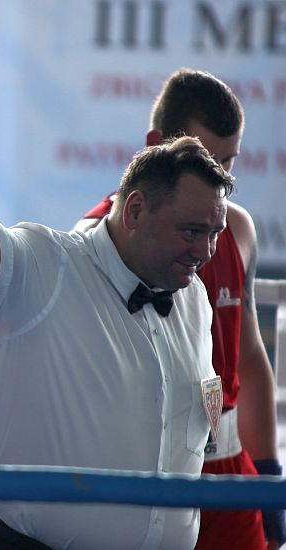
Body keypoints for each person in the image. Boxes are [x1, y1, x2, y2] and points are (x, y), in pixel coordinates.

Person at [0, 82, 234, 549]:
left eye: (215, 232)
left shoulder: (193, 299)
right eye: (192, 230)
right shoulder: (47, 264)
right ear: (134, 211)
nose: (205, 251)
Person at [74, 69, 284, 550]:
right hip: (143, 472)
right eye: (206, 158)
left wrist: (268, 474)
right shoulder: (95, 242)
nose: (218, 178)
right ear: (156, 146)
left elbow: (248, 357)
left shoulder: (238, 231)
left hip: (228, 468)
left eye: (227, 164)